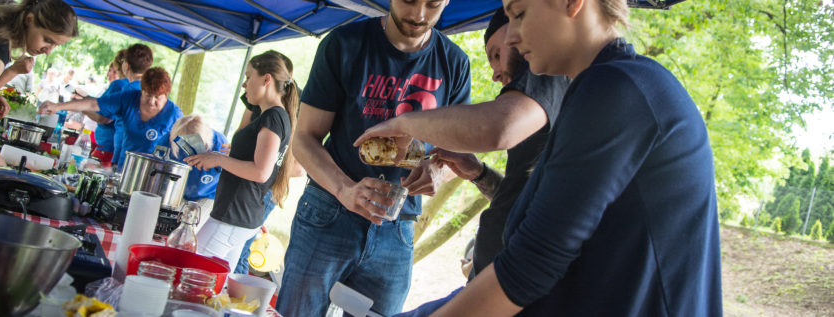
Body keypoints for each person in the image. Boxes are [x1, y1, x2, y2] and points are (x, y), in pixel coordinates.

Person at [385, 0, 722, 315]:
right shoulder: (600, 88)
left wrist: (405, 124)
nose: (513, 36)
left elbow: (529, 266)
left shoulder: (618, 89)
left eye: (519, 14)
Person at [276, 0, 471, 315]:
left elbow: (458, 154)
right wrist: (344, 190)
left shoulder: (455, 63)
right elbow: (304, 138)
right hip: (329, 209)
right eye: (409, 0)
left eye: (433, 4)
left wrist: (438, 172)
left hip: (399, 223)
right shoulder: (344, 44)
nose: (419, 15)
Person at [428, 8, 569, 280]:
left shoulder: (543, 72)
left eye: (496, 54)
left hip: (513, 278)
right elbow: (523, 196)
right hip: (496, 271)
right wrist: (479, 173)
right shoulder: (540, 112)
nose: (494, 73)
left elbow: (496, 128)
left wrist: (400, 123)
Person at [182, 51, 299, 271]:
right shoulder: (273, 115)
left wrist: (218, 159)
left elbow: (261, 172)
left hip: (234, 215)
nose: (244, 84)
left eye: (248, 77)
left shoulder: (274, 117)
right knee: (216, 284)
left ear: (266, 79)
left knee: (192, 274)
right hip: (239, 214)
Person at [0, 0, 77, 177]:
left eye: (56, 45)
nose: (49, 51)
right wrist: (6, 173)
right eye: (47, 40)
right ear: (29, 20)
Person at [38, 67, 183, 167]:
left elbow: (186, 146)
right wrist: (57, 107)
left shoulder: (174, 114)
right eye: (147, 95)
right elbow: (93, 104)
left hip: (152, 176)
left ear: (167, 95)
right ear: (141, 91)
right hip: (122, 168)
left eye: (157, 97)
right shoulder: (129, 98)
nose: (151, 101)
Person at [162, 114, 228, 232]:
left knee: (189, 227)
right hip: (178, 192)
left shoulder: (219, 143)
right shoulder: (168, 139)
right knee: (168, 224)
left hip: (207, 195)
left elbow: (229, 172)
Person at [90, 49, 128, 165]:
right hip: (117, 149)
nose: (110, 74)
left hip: (107, 148)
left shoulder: (119, 85)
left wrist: (83, 107)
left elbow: (104, 118)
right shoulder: (136, 86)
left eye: (114, 70)